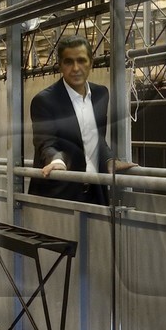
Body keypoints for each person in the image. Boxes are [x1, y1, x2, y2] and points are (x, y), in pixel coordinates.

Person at [28, 35, 134, 205]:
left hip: (95, 193)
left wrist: (108, 160)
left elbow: (96, 137)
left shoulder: (101, 94)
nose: (76, 68)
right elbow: (45, 142)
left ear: (91, 63)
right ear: (60, 66)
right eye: (68, 62)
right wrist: (56, 161)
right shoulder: (45, 101)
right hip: (59, 193)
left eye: (81, 61)